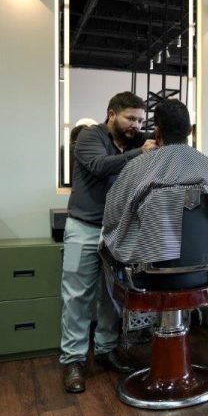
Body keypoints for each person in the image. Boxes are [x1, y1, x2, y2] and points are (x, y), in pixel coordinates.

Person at [60, 92, 157, 393]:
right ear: (112, 114)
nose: (136, 125)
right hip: (83, 228)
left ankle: (105, 349)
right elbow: (99, 166)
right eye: (130, 118)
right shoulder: (90, 136)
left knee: (112, 296)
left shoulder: (136, 142)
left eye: (140, 120)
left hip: (117, 230)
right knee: (77, 297)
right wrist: (139, 153)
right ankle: (74, 360)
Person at [102, 98, 208, 266]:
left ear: (157, 133)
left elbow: (112, 219)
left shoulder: (137, 167)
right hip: (203, 264)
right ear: (189, 131)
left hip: (150, 269)